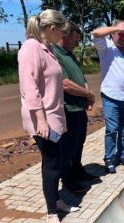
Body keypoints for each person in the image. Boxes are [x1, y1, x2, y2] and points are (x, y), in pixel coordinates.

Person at [18, 9, 79, 223]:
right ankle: (52, 214)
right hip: (43, 119)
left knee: (57, 160)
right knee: (52, 165)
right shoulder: (30, 48)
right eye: (61, 31)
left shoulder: (48, 48)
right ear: (52, 29)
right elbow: (29, 88)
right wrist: (42, 121)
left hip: (55, 115)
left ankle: (56, 200)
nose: (63, 35)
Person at [52, 21, 98, 193]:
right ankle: (68, 179)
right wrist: (87, 94)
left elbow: (80, 77)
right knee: (68, 147)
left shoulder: (70, 55)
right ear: (64, 36)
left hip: (78, 108)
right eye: (74, 39)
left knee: (79, 142)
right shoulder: (56, 55)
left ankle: (78, 170)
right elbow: (65, 84)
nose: (77, 43)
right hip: (68, 109)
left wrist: (87, 91)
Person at [92, 20, 124, 174]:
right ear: (113, 32)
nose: (123, 36)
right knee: (112, 129)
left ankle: (123, 155)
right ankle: (109, 159)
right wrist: (117, 27)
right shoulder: (106, 47)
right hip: (111, 96)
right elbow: (96, 33)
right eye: (120, 33)